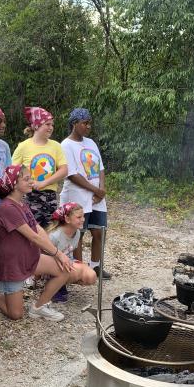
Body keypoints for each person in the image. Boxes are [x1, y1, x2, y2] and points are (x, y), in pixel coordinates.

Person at [0, 165, 73, 322]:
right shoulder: (7, 207)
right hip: (12, 264)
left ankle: (39, 307)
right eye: (26, 179)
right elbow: (34, 237)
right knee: (16, 314)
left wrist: (57, 254)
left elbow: (38, 230)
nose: (32, 181)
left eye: (31, 178)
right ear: (13, 184)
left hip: (29, 257)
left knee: (64, 269)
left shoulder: (22, 203)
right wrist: (58, 254)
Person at [59, 108, 111, 279]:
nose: (88, 126)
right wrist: (96, 190)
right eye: (85, 123)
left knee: (99, 232)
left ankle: (95, 267)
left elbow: (100, 167)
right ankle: (80, 270)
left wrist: (101, 190)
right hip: (78, 196)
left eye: (89, 123)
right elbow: (72, 174)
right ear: (74, 124)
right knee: (78, 234)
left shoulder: (91, 143)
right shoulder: (66, 145)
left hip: (97, 197)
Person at [11, 107, 68, 227]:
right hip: (29, 196)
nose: (51, 127)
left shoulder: (56, 146)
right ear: (36, 126)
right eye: (47, 124)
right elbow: (12, 172)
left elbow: (64, 170)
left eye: (52, 124)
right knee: (32, 232)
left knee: (50, 231)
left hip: (51, 197)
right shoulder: (23, 147)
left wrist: (44, 183)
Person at [46, 202, 97, 303]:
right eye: (79, 217)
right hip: (51, 264)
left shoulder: (77, 233)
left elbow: (70, 252)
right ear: (67, 219)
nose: (83, 219)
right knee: (71, 269)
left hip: (66, 261)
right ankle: (52, 287)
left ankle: (61, 283)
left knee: (90, 276)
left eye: (83, 216)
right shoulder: (55, 235)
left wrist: (79, 265)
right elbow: (42, 255)